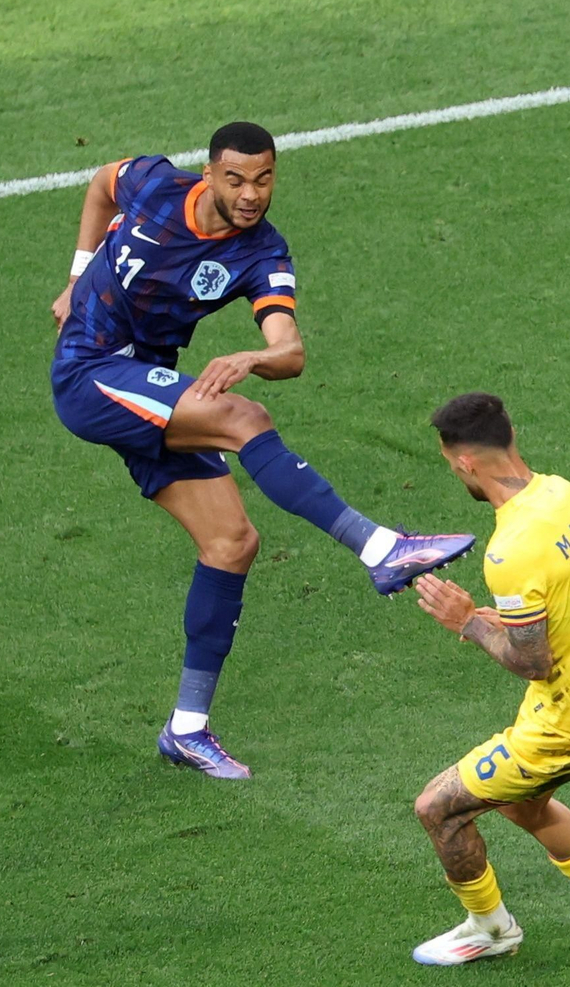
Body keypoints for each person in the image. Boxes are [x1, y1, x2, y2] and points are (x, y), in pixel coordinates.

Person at [50, 122, 475, 780]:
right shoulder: (157, 184)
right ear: (210, 173)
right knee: (242, 416)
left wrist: (255, 353)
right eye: (237, 179)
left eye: (265, 179)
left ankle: (186, 728)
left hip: (149, 387)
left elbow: (290, 349)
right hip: (90, 373)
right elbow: (102, 183)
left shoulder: (261, 253)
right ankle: (380, 548)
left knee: (231, 542)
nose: (252, 194)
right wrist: (77, 276)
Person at [409, 392, 570, 965]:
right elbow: (562, 600)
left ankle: (490, 931)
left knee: (437, 808)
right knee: (522, 803)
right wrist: (513, 621)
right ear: (510, 433)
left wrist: (466, 621)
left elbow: (531, 662)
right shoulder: (564, 494)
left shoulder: (511, 548)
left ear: (464, 461)